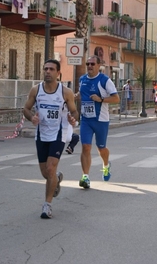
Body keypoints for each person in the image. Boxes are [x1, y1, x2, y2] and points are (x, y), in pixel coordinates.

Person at [23, 59, 78, 219]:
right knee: (45, 172)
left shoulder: (65, 92)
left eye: (51, 69)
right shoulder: (36, 90)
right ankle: (56, 178)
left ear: (58, 73)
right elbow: (26, 108)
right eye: (45, 69)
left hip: (58, 134)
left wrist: (73, 119)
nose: (47, 71)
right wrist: (31, 117)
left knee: (50, 168)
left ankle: (47, 205)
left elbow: (74, 111)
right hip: (41, 134)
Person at [76, 55, 120, 189]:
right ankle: (85, 177)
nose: (89, 66)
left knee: (101, 148)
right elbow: (81, 94)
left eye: (92, 64)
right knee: (85, 147)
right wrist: (74, 97)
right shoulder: (82, 79)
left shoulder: (104, 80)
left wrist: (100, 99)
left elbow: (116, 98)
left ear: (98, 65)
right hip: (86, 120)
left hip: (101, 120)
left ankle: (106, 165)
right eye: (88, 64)